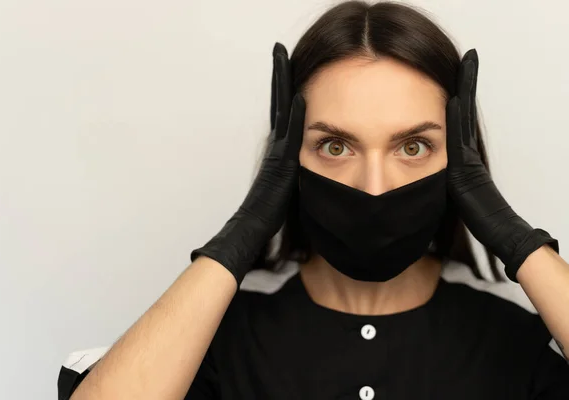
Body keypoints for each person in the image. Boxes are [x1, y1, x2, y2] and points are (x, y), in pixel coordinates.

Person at [65, 1, 569, 399]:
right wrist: (242, 232)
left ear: (461, 160)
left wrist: (516, 239)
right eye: (335, 145)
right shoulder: (213, 332)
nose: (374, 187)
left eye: (413, 146)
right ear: (289, 158)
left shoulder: (521, 330)